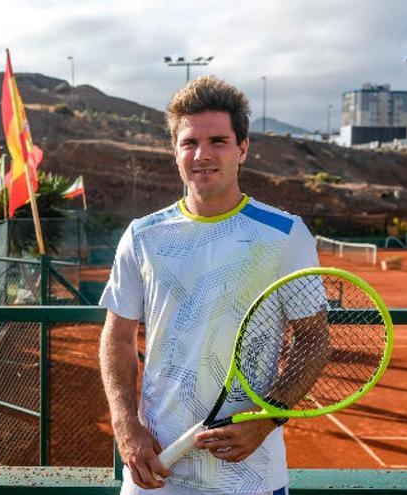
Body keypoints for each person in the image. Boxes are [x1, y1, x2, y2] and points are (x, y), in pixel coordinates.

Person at [99, 76, 318, 495]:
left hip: (251, 475)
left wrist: (267, 419)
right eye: (189, 143)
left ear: (243, 148)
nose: (202, 155)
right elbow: (117, 337)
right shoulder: (142, 236)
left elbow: (314, 339)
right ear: (174, 151)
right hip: (157, 470)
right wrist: (126, 426)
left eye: (218, 140)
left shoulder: (286, 234)